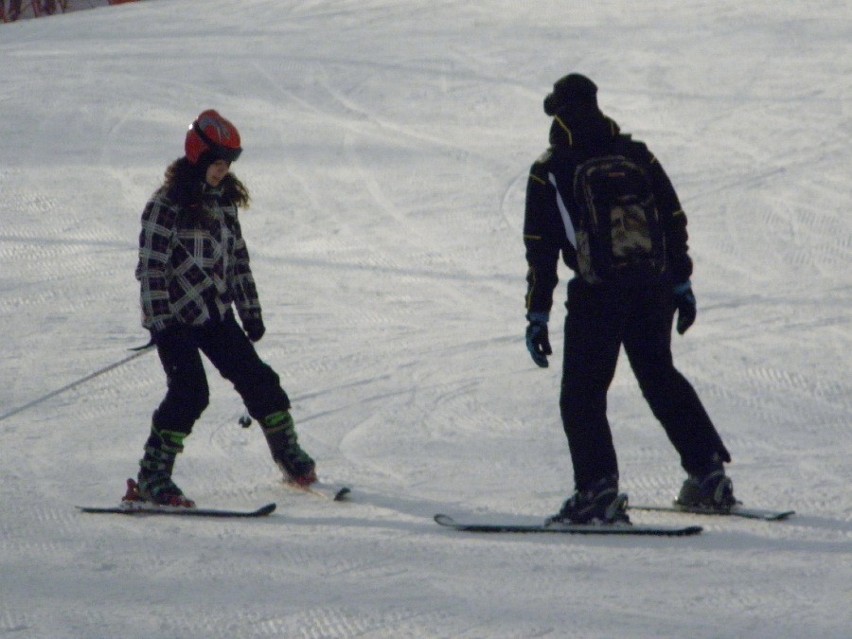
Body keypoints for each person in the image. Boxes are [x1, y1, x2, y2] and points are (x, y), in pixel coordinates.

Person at [523, 74, 736, 525]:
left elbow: (540, 248)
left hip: (597, 294)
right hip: (652, 287)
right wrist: (680, 282)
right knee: (659, 375)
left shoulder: (551, 168)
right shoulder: (636, 155)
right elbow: (673, 217)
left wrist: (537, 314)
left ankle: (597, 492)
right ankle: (708, 474)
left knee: (582, 395)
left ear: (558, 114)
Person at [126, 109, 316, 508]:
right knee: (190, 392)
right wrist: (161, 322)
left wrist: (250, 310)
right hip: (176, 320)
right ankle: (152, 477)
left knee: (260, 381)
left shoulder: (224, 204)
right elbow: (151, 269)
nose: (223, 170)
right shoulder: (166, 205)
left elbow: (238, 261)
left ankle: (289, 456)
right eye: (217, 162)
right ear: (197, 156)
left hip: (214, 316)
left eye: (229, 163)